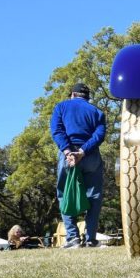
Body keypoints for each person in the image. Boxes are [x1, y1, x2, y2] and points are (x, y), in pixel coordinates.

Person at [50, 83, 106, 249]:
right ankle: (90, 239)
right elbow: (99, 135)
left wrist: (68, 152)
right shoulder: (97, 112)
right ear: (87, 97)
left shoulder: (61, 107)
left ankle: (73, 239)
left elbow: (57, 131)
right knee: (94, 196)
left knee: (64, 195)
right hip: (90, 156)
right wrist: (82, 151)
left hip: (68, 156)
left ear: (72, 95)